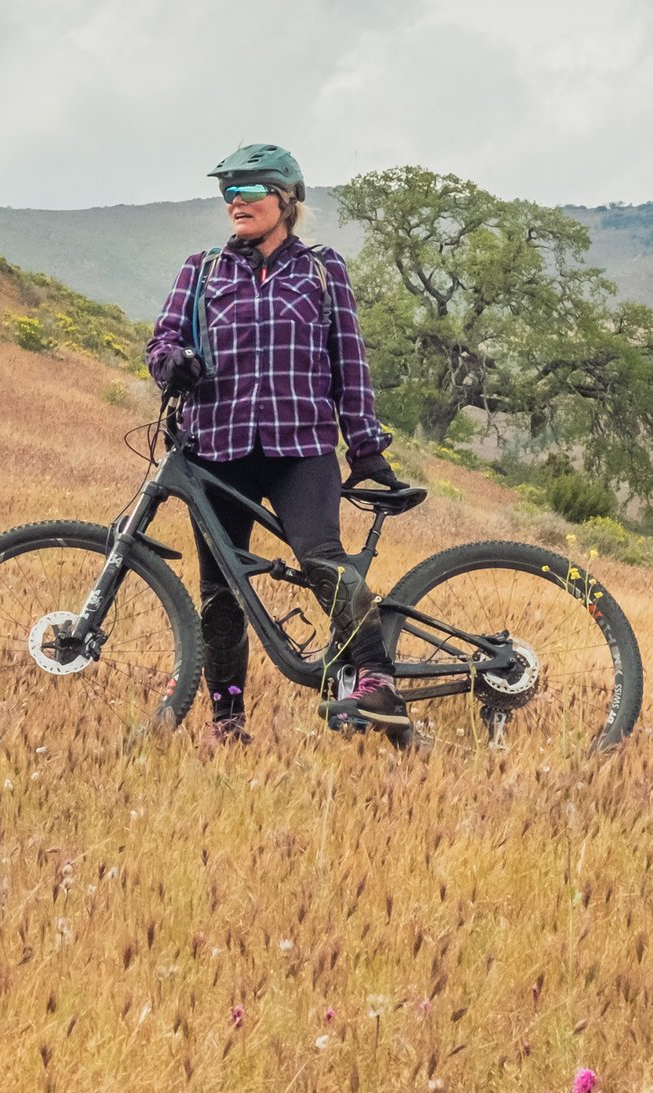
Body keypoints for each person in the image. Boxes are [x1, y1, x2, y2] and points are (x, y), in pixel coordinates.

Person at [146, 143, 411, 746]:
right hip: (218, 446)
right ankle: (228, 722)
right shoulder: (203, 268)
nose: (235, 203)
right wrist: (173, 363)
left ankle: (376, 679)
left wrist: (364, 446)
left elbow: (349, 359)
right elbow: (160, 340)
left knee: (323, 561)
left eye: (249, 190)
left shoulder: (321, 268)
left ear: (285, 201)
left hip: (301, 447)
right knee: (221, 591)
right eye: (227, 193)